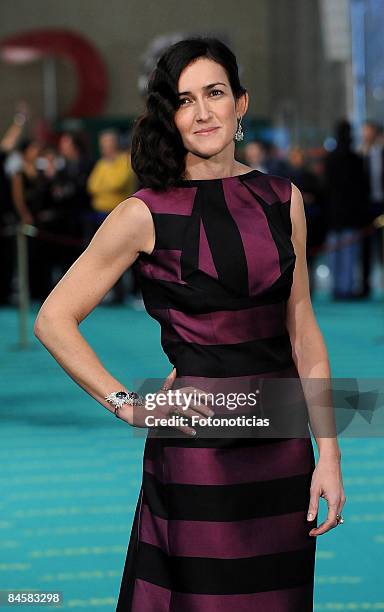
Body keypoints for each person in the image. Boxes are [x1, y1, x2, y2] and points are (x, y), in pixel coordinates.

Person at [34, 37, 346, 611]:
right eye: (185, 100)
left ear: (241, 103)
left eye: (215, 93)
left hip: (283, 446)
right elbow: (54, 319)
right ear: (169, 115)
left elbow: (303, 332)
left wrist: (328, 451)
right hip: (198, 446)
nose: (203, 113)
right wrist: (130, 403)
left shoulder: (284, 199)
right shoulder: (144, 212)